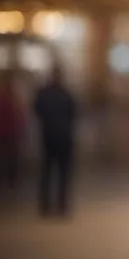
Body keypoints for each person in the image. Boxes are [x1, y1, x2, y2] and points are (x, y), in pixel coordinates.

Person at [34, 65, 77, 217]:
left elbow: (37, 111)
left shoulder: (43, 93)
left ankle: (45, 206)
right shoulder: (67, 94)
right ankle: (61, 205)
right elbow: (74, 114)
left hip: (48, 136)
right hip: (64, 137)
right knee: (62, 173)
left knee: (47, 171)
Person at [0, 72, 25, 191]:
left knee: (11, 157)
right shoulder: (7, 98)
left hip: (11, 132)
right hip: (6, 132)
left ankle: (10, 179)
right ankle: (8, 178)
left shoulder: (13, 97)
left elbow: (19, 115)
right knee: (7, 156)